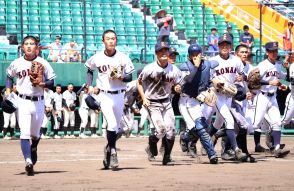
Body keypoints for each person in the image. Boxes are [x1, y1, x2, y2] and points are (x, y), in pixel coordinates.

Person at [5, 35, 56, 176]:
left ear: (36, 47)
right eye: (26, 43)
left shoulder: (43, 62)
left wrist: (42, 84)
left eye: (32, 43)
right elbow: (9, 76)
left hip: (39, 101)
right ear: (22, 47)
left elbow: (52, 83)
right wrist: (8, 90)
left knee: (35, 134)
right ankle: (28, 161)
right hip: (22, 102)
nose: (28, 46)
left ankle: (34, 148)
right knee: (24, 133)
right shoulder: (16, 63)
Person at [85, 29, 135, 170]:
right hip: (105, 95)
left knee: (119, 127)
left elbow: (130, 77)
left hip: (119, 94)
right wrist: (88, 85)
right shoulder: (97, 57)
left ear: (116, 41)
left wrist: (121, 77)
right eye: (108, 39)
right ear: (103, 41)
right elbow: (89, 69)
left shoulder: (123, 57)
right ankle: (113, 152)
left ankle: (108, 148)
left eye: (113, 38)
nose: (111, 41)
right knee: (112, 125)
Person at [137, 42, 182, 165]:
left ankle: (166, 157)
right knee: (161, 130)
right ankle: (151, 143)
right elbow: (139, 82)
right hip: (152, 102)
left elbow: (178, 84)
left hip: (167, 102)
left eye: (165, 50)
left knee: (171, 130)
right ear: (156, 53)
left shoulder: (175, 70)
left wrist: (177, 88)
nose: (163, 53)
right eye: (160, 51)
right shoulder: (149, 68)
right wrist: (143, 98)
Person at [209, 34, 248, 162]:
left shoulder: (236, 60)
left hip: (230, 95)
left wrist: (241, 77)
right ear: (218, 46)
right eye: (222, 44)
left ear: (230, 46)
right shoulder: (213, 61)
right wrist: (214, 81)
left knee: (218, 123)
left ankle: (201, 139)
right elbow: (208, 78)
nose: (224, 46)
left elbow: (243, 75)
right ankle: (236, 150)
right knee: (229, 121)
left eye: (227, 44)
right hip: (218, 95)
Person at [178, 44, 219, 164]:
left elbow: (212, 80)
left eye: (198, 54)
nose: (196, 57)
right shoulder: (185, 66)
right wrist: (196, 66)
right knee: (198, 129)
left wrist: (215, 87)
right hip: (186, 101)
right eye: (193, 55)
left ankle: (210, 153)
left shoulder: (208, 65)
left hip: (199, 100)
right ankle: (186, 138)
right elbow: (189, 80)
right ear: (189, 56)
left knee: (202, 128)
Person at [251, 42, 290, 158]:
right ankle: (227, 138)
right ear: (267, 52)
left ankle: (277, 149)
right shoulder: (262, 65)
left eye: (275, 51)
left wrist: (287, 68)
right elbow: (253, 81)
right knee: (254, 125)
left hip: (273, 98)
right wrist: (269, 82)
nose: (274, 53)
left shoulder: (278, 65)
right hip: (262, 97)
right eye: (271, 51)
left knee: (277, 122)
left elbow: (286, 78)